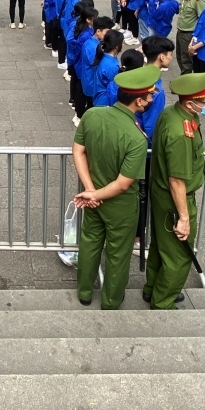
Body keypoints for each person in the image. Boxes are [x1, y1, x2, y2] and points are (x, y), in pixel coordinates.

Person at [73, 65, 159, 309]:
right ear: (139, 102)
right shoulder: (136, 138)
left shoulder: (92, 115)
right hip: (120, 205)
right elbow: (123, 184)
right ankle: (111, 300)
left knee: (89, 243)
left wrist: (90, 190)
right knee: (118, 254)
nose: (152, 99)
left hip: (93, 198)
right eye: (150, 95)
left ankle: (84, 293)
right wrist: (95, 194)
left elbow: (78, 150)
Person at [143, 71, 205, 309]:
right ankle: (163, 300)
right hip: (176, 198)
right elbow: (177, 180)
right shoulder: (181, 133)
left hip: (162, 193)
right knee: (178, 254)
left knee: (161, 245)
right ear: (190, 102)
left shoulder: (170, 113)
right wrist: (184, 217)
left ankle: (152, 288)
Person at [173, 0, 204, 75]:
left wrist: (195, 37)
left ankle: (186, 82)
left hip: (189, 33)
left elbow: (202, 19)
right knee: (179, 56)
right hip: (180, 31)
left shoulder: (197, 0)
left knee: (186, 60)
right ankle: (184, 77)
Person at [91, 30, 125, 107]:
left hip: (99, 97)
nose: (123, 44)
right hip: (106, 102)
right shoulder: (112, 66)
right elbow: (114, 88)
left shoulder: (103, 57)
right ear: (116, 46)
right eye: (122, 42)